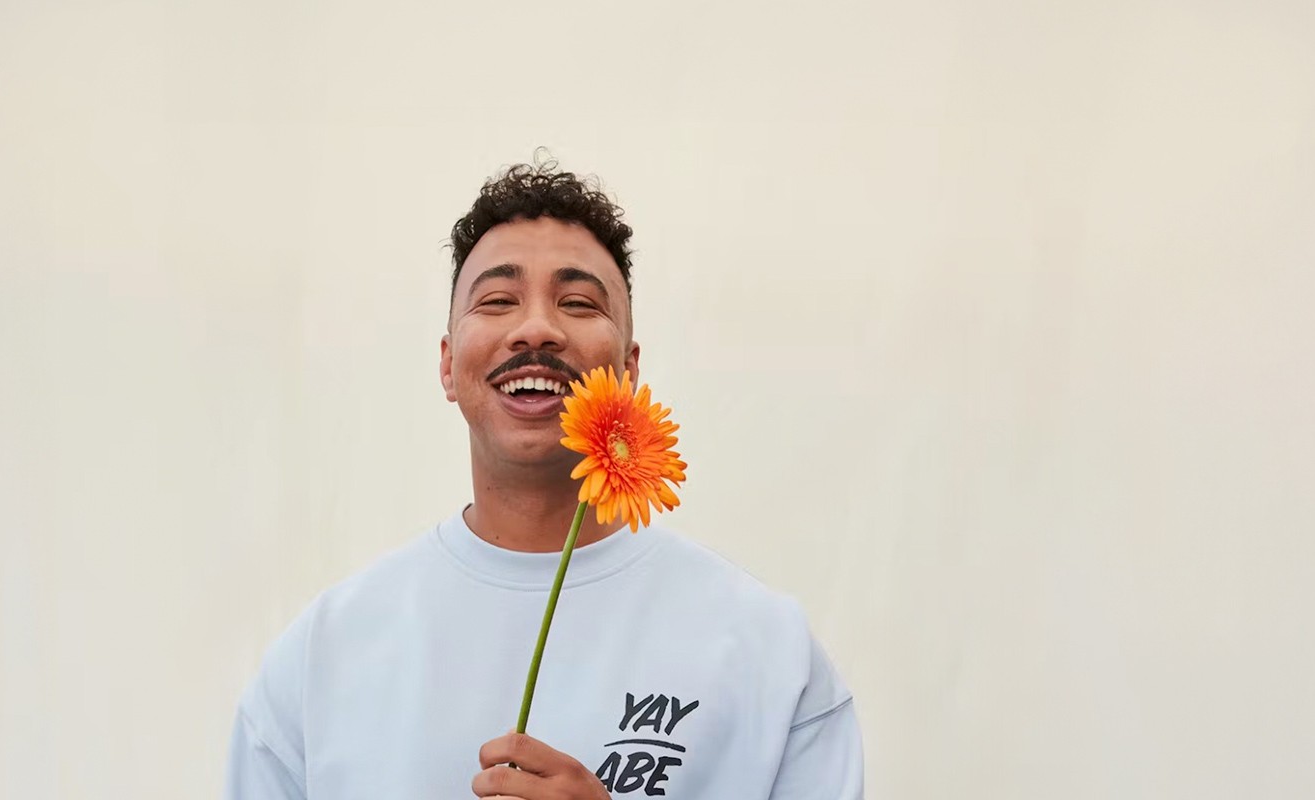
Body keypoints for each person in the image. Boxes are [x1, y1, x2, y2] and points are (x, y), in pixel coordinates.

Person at [224, 161, 864, 799]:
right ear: (448, 365)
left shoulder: (770, 657)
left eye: (579, 303)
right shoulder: (319, 661)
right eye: (497, 301)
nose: (536, 329)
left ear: (629, 369)